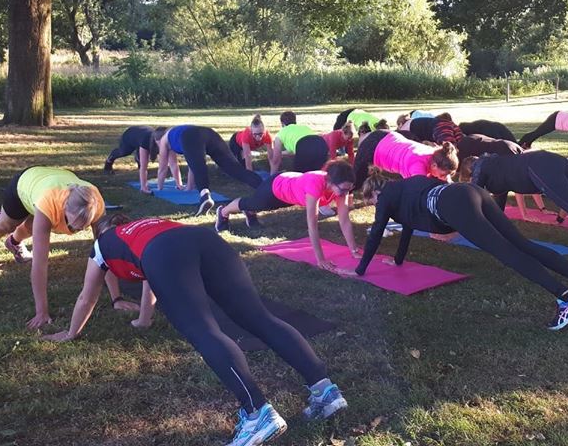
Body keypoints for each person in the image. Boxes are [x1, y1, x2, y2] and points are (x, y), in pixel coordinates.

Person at [43, 215, 347, 446]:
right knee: (261, 319)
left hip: (166, 254)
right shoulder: (150, 226)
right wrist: (143, 320)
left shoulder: (102, 244)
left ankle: (257, 414)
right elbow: (153, 278)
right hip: (205, 240)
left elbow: (87, 296)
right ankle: (325, 391)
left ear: (101, 231)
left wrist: (71, 333)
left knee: (203, 330)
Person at [357, 169, 568, 331]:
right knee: (522, 244)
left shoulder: (386, 197)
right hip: (470, 190)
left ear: (376, 192)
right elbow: (408, 227)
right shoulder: (407, 184)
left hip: (454, 204)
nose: (375, 206)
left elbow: (376, 233)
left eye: (372, 201)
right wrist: (398, 260)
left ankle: (567, 298)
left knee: (508, 253)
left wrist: (359, 270)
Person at [0, 166, 106, 329]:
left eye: (82, 228)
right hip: (26, 183)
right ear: (64, 207)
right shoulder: (49, 204)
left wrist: (117, 299)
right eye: (73, 226)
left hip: (51, 180)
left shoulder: (96, 204)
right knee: (7, 224)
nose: (75, 231)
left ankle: (14, 242)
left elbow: (104, 250)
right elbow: (40, 263)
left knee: (32, 227)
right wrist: (41, 312)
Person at [216, 161, 360, 270]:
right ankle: (223, 212)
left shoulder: (341, 188)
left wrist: (354, 250)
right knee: (252, 203)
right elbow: (312, 223)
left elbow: (344, 220)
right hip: (277, 187)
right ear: (330, 182)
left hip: (292, 195)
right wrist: (320, 259)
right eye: (344, 189)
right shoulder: (316, 184)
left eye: (349, 189)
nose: (346, 193)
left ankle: (250, 211)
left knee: (258, 206)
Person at [156, 125, 264, 216]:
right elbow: (191, 166)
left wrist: (159, 188)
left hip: (192, 136)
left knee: (199, 166)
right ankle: (266, 187)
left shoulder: (164, 140)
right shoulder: (175, 133)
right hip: (209, 133)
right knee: (235, 168)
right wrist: (188, 187)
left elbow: (162, 167)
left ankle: (205, 196)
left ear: (158, 140)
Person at [352, 130, 459, 191]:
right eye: (444, 174)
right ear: (434, 166)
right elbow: (419, 193)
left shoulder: (438, 154)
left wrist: (448, 183)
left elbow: (443, 175)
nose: (445, 177)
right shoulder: (417, 166)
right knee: (353, 181)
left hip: (389, 136)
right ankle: (343, 198)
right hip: (373, 146)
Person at [103, 126, 166, 192]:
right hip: (131, 135)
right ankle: (109, 161)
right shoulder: (146, 141)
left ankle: (138, 158)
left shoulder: (166, 142)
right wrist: (144, 186)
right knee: (124, 152)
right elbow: (143, 168)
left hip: (141, 137)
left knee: (141, 159)